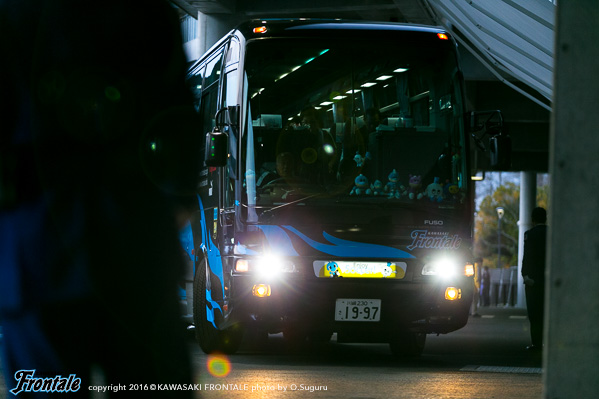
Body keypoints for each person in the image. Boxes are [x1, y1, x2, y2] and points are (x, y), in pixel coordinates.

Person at [0, 0, 199, 396]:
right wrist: (176, 197)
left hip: (36, 250)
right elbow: (176, 116)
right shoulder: (145, 10)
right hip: (137, 243)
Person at [521, 207, 548, 351]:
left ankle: (536, 343)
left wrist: (525, 275)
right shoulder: (552, 234)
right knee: (547, 312)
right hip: (549, 279)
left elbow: (527, 257)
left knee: (534, 313)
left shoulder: (529, 235)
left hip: (533, 280)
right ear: (546, 218)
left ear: (533, 220)